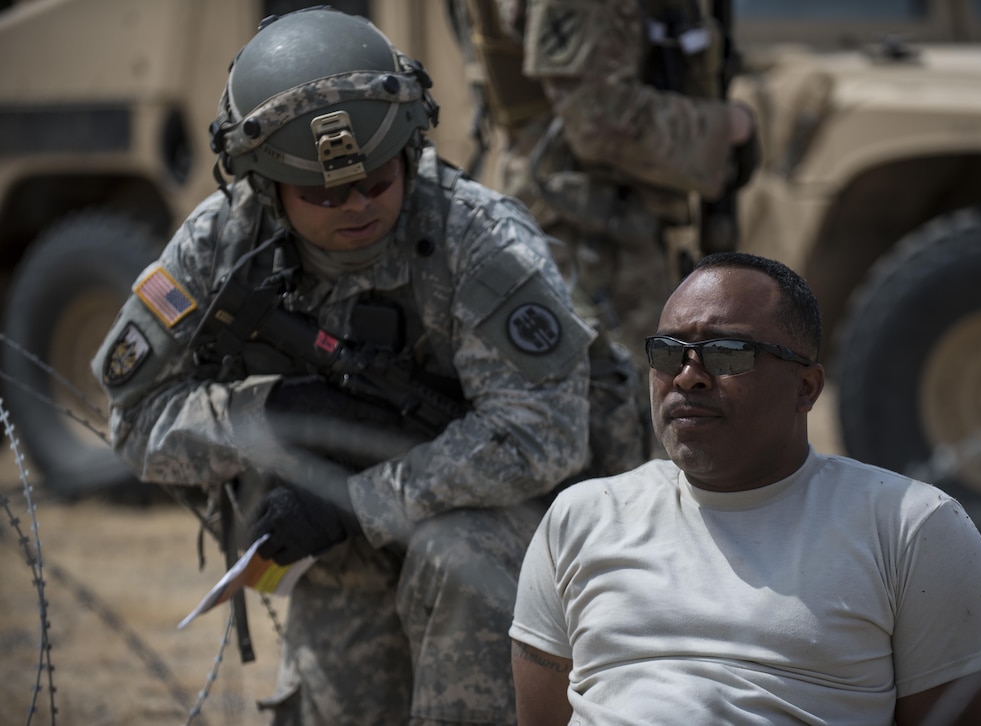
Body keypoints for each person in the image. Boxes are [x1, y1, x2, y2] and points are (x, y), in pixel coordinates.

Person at [92, 8, 600, 725]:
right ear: (266, 186)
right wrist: (270, 414)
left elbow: (543, 431)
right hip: (334, 548)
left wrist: (357, 501)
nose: (358, 204)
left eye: (378, 178)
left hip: (490, 529)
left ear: (410, 149)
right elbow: (136, 423)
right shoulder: (222, 239)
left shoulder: (478, 241)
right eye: (325, 194)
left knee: (460, 554)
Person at [509, 251, 981, 725]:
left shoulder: (912, 528)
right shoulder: (582, 517)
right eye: (668, 352)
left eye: (727, 354)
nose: (689, 376)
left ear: (806, 387)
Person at [450, 0, 760, 363]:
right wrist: (727, 128)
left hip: (593, 226)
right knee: (619, 400)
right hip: (591, 235)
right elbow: (598, 117)